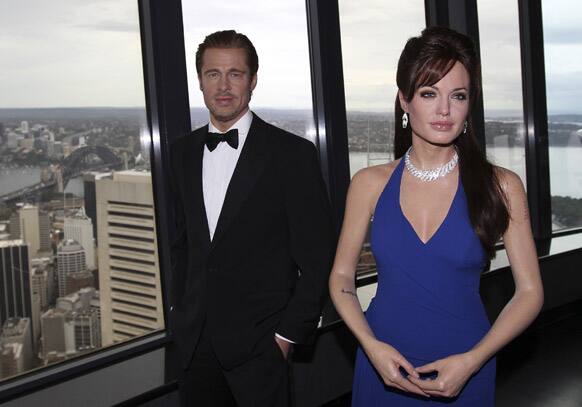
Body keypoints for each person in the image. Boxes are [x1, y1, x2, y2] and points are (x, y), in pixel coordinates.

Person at [329, 26, 544, 406]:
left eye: (457, 95)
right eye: (429, 93)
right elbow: (342, 278)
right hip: (382, 365)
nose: (444, 110)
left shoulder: (503, 185)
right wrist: (371, 347)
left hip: (465, 364)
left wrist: (473, 361)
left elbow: (529, 293)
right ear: (405, 101)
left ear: (469, 103)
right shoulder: (368, 183)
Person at [168, 30, 334, 407]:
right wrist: (180, 315)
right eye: (213, 74)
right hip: (195, 350)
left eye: (235, 74)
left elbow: (318, 257)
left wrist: (287, 337)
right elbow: (182, 245)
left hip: (263, 349)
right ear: (200, 81)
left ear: (252, 81)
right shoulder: (181, 153)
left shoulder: (292, 155)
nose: (223, 86)